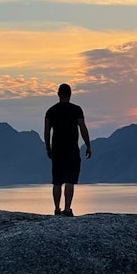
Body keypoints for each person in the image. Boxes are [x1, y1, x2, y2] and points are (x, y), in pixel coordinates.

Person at [44, 83, 91, 216]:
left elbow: (47, 132)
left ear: (58, 94)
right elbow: (83, 128)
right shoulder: (76, 110)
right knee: (70, 180)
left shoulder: (51, 111)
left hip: (57, 150)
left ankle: (57, 209)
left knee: (57, 181)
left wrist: (48, 147)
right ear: (70, 94)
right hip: (72, 150)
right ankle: (67, 209)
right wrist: (88, 145)